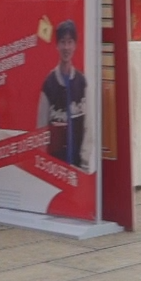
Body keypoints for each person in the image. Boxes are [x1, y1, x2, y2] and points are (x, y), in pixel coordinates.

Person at [36, 19, 90, 170]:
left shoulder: (81, 82)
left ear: (75, 45)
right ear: (57, 45)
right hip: (55, 167)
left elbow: (89, 126)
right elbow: (41, 129)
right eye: (62, 42)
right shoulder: (49, 83)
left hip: (78, 166)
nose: (66, 47)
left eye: (70, 42)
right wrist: (44, 163)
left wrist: (85, 162)